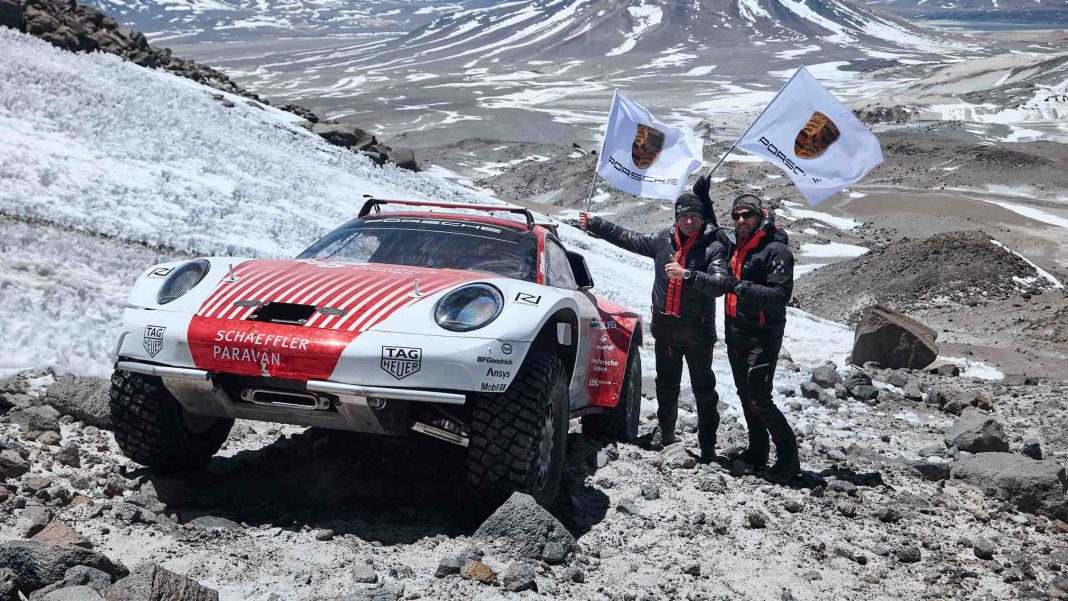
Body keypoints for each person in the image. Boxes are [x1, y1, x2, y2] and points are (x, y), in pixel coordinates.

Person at [579, 192, 728, 460]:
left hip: (697, 333)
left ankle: (708, 446)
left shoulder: (713, 247)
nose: (689, 221)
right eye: (684, 216)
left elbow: (720, 285)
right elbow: (629, 239)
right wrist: (595, 223)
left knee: (704, 389)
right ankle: (666, 433)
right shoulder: (663, 240)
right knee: (666, 385)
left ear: (703, 218)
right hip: (666, 330)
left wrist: (687, 274)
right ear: (677, 217)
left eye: (694, 216)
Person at [697, 180, 800, 483]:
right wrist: (703, 196)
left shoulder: (776, 251)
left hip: (763, 335)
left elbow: (780, 295)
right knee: (745, 394)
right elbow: (714, 229)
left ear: (760, 216)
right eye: (737, 216)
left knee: (759, 396)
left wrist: (737, 286)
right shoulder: (736, 245)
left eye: (747, 215)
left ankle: (789, 458)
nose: (741, 220)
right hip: (736, 333)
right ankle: (757, 450)